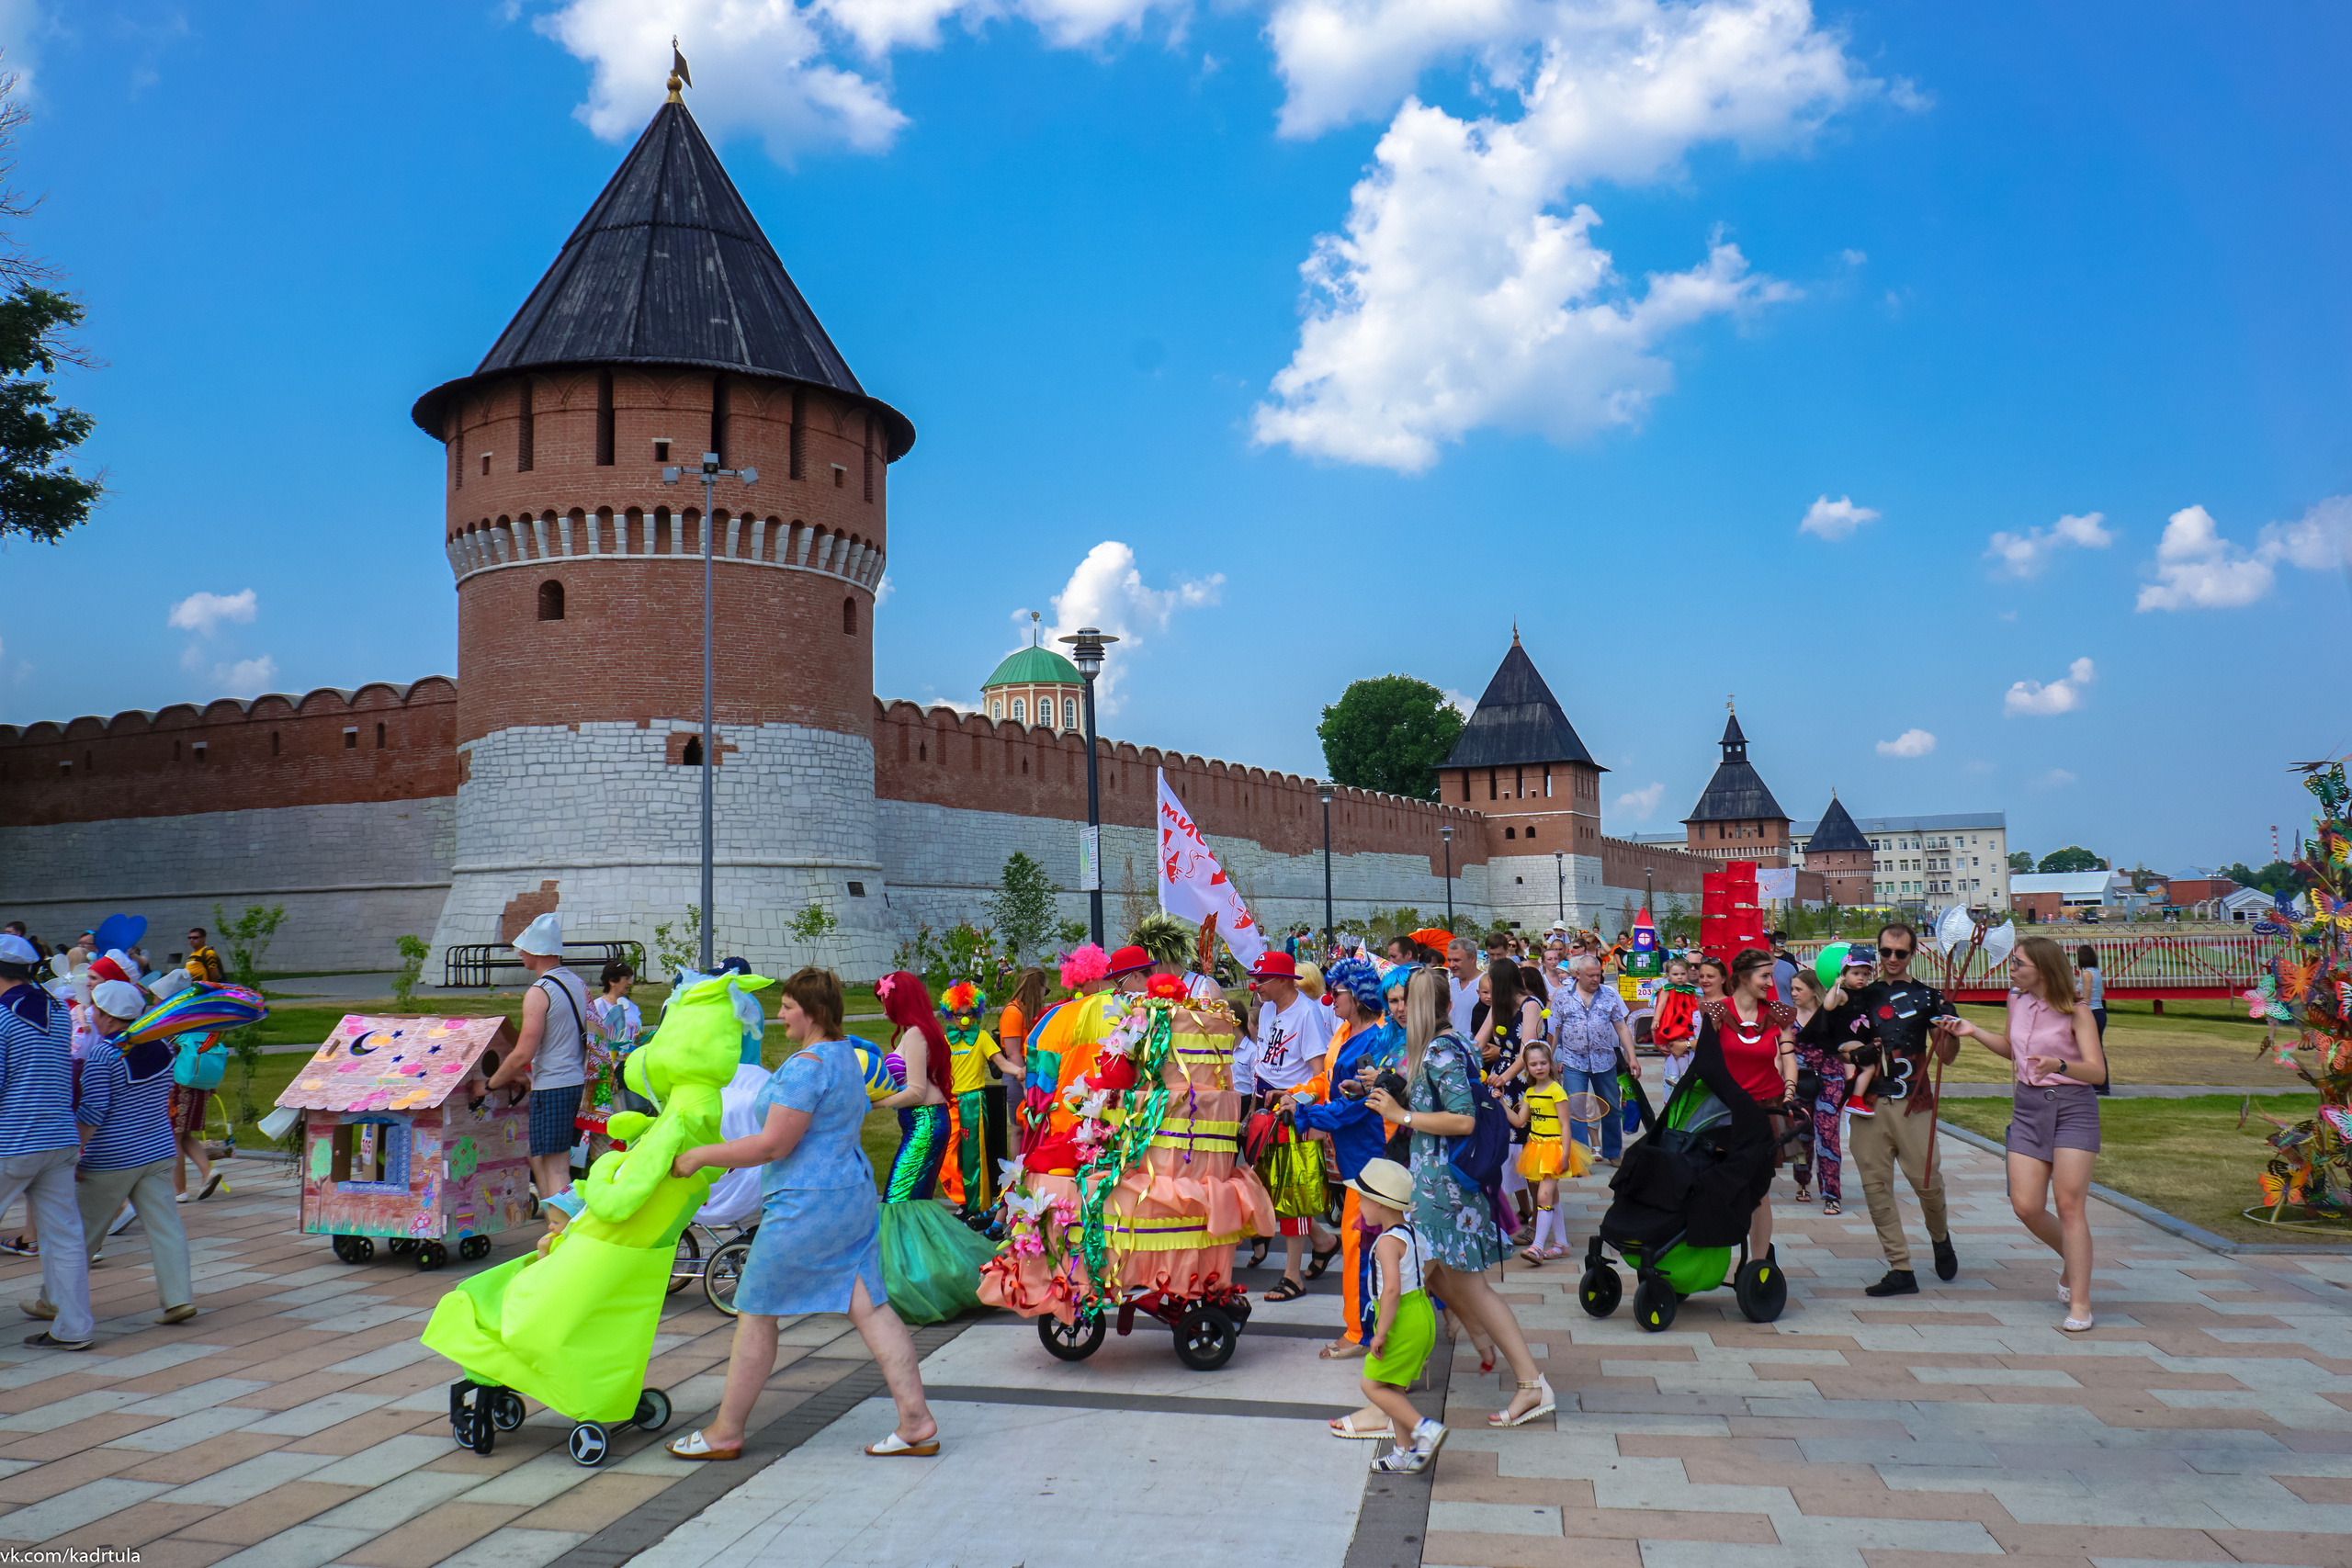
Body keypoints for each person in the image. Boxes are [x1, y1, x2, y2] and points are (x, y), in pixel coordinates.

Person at [664, 968, 940, 1461]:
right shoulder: (845, 1054)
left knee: (756, 1312)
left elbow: (774, 1144)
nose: (780, 1014)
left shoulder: (807, 1066)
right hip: (851, 1195)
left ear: (813, 1013)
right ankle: (916, 1421)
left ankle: (726, 1432)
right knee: (871, 1307)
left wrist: (699, 1156)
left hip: (806, 1203)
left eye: (789, 1006)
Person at [1363, 969, 1551, 1428]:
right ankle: (1524, 1379)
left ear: (1426, 1006)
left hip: (1442, 1189)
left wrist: (1401, 1115)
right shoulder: (1454, 1044)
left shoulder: (1439, 1050)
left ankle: (1384, 1403)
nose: (1400, 1011)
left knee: (1406, 1284)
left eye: (1407, 1002)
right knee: (1448, 1284)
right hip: (1443, 1188)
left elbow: (1463, 1120)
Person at [1942, 937, 2108, 1330]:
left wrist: (2059, 1064)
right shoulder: (2015, 1000)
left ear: (2044, 970)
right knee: (2026, 1206)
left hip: (2073, 1109)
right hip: (2028, 1108)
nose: (2011, 969)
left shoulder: (2078, 1012)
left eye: (2018, 964)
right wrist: (1973, 1031)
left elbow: (2097, 1072)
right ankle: (2075, 1258)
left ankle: (2080, 1303)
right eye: (2013, 963)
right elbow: (2011, 1049)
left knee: (2069, 1205)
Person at [29, 979, 196, 1326]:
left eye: (95, 1010)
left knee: (81, 1233)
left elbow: (92, 1113)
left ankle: (53, 1300)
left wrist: (73, 1152)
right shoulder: (163, 1046)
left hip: (111, 1159)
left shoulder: (104, 1054)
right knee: (167, 1228)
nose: (91, 1015)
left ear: (107, 1016)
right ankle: (178, 1299)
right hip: (159, 1151)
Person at [1290, 956, 1406, 1359]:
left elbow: (1357, 1103)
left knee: (1360, 1244)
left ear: (1357, 996)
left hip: (1371, 1155)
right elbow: (1330, 1081)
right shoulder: (1345, 1030)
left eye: (1336, 992)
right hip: (1353, 1156)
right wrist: (1301, 1094)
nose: (1329, 999)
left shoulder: (1374, 1039)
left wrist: (1306, 1115)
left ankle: (1360, 1332)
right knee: (1365, 1242)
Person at [1844, 923, 1961, 1297]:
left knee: (1927, 1182)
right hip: (1869, 1103)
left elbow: (1946, 1057)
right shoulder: (1860, 995)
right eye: (1885, 952)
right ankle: (1900, 1267)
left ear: (1912, 954)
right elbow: (1837, 1042)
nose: (1892, 959)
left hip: (1914, 1102)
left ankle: (1940, 1237)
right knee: (1875, 1186)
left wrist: (1948, 1030)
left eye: (1900, 953)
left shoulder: (1928, 997)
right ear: (1878, 951)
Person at [871, 970, 995, 1322]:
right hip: (924, 1122)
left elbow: (915, 1091)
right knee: (910, 1203)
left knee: (899, 1201)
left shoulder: (916, 1034)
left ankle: (915, 1284)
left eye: (885, 1001)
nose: (883, 1009)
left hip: (925, 1123)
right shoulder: (918, 1032)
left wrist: (873, 1104)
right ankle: (928, 1278)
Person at [0, 933, 93, 1349]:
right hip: (59, 1138)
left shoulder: (2, 1016)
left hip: (13, 1141)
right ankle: (74, 1328)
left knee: (62, 1236)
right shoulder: (58, 1009)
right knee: (64, 1236)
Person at [1234, 951, 1337, 1298]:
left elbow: (1321, 1073)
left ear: (1283, 980)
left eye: (1262, 979)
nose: (1256, 986)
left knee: (1293, 1193)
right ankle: (1323, 1242)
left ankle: (1293, 1276)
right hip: (1265, 1108)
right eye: (1255, 979)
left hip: (1293, 1111)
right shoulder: (1266, 1010)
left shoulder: (1307, 1013)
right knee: (1269, 1188)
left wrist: (1305, 1109)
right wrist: (1252, 1109)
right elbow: (1263, 1063)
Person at [483, 913, 599, 1203]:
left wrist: (489, 1085)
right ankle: (555, 1223)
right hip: (576, 1081)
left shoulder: (540, 992)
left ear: (537, 950)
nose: (520, 953)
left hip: (553, 1086)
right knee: (546, 1160)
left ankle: (568, 1226)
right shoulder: (576, 983)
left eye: (524, 947)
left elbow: (524, 1052)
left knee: (556, 1167)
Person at [1342, 1158, 1448, 1474]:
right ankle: (1403, 1452)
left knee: (1372, 1385)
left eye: (1362, 1198)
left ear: (1378, 1203)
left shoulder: (1386, 1242)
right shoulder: (1409, 1233)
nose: (1360, 1205)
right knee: (1393, 1387)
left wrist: (1380, 1333)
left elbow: (1390, 1290)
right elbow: (1423, 1272)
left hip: (1400, 1318)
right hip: (1420, 1313)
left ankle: (1424, 1428)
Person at [1706, 950, 1799, 1263]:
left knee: (1759, 1189)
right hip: (1724, 1112)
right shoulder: (1716, 1012)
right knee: (1720, 1183)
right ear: (1744, 978)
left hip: (1765, 1110)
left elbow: (1788, 1059)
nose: (1771, 982)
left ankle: (1758, 1264)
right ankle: (1713, 1257)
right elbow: (1706, 1063)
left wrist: (1789, 1092)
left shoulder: (1778, 1014)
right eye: (1765, 976)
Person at [1549, 954, 1636, 1166]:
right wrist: (1550, 1058)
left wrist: (1631, 1056)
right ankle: (1579, 1157)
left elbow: (1621, 1026)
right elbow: (1555, 1029)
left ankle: (1613, 1152)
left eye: (1598, 975)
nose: (1596, 979)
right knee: (1576, 1110)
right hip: (1573, 1061)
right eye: (1591, 975)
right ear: (1578, 974)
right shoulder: (1562, 996)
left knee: (1611, 1107)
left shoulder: (1609, 994)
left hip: (1604, 1061)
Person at [1787, 964, 1854, 1214]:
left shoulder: (1829, 1015)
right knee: (1802, 1135)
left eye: (1798, 989)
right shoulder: (1788, 1018)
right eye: (1792, 989)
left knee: (1827, 1134)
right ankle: (1802, 1181)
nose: (1793, 993)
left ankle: (1831, 1194)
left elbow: (1844, 1047)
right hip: (1800, 1082)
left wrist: (1851, 1080)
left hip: (1830, 1080)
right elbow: (1781, 1055)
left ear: (1814, 991)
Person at [1509, 1043, 1577, 1260]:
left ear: (1551, 1064)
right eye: (1533, 1064)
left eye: (1543, 1063)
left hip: (1555, 1149)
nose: (1539, 1067)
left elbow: (1565, 1125)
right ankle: (1561, 1244)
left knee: (1543, 1195)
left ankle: (1537, 1246)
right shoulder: (1530, 1093)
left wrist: (1565, 1155)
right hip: (1537, 1148)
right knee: (1552, 1197)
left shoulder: (1557, 1091)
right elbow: (1519, 1121)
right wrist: (1500, 1102)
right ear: (1527, 1068)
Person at [2076, 944, 2111, 1097]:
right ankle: (2102, 1084)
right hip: (2100, 1012)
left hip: (2091, 1013)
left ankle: (2097, 1083)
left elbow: (2086, 999)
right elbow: (2101, 992)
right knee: (2098, 1048)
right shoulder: (2097, 972)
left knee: (2089, 1049)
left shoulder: (2086, 974)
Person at [1444, 939, 1482, 1034]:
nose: (1451, 965)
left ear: (1472, 958)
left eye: (1456, 960)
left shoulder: (1486, 984)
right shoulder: (1449, 985)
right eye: (1449, 960)